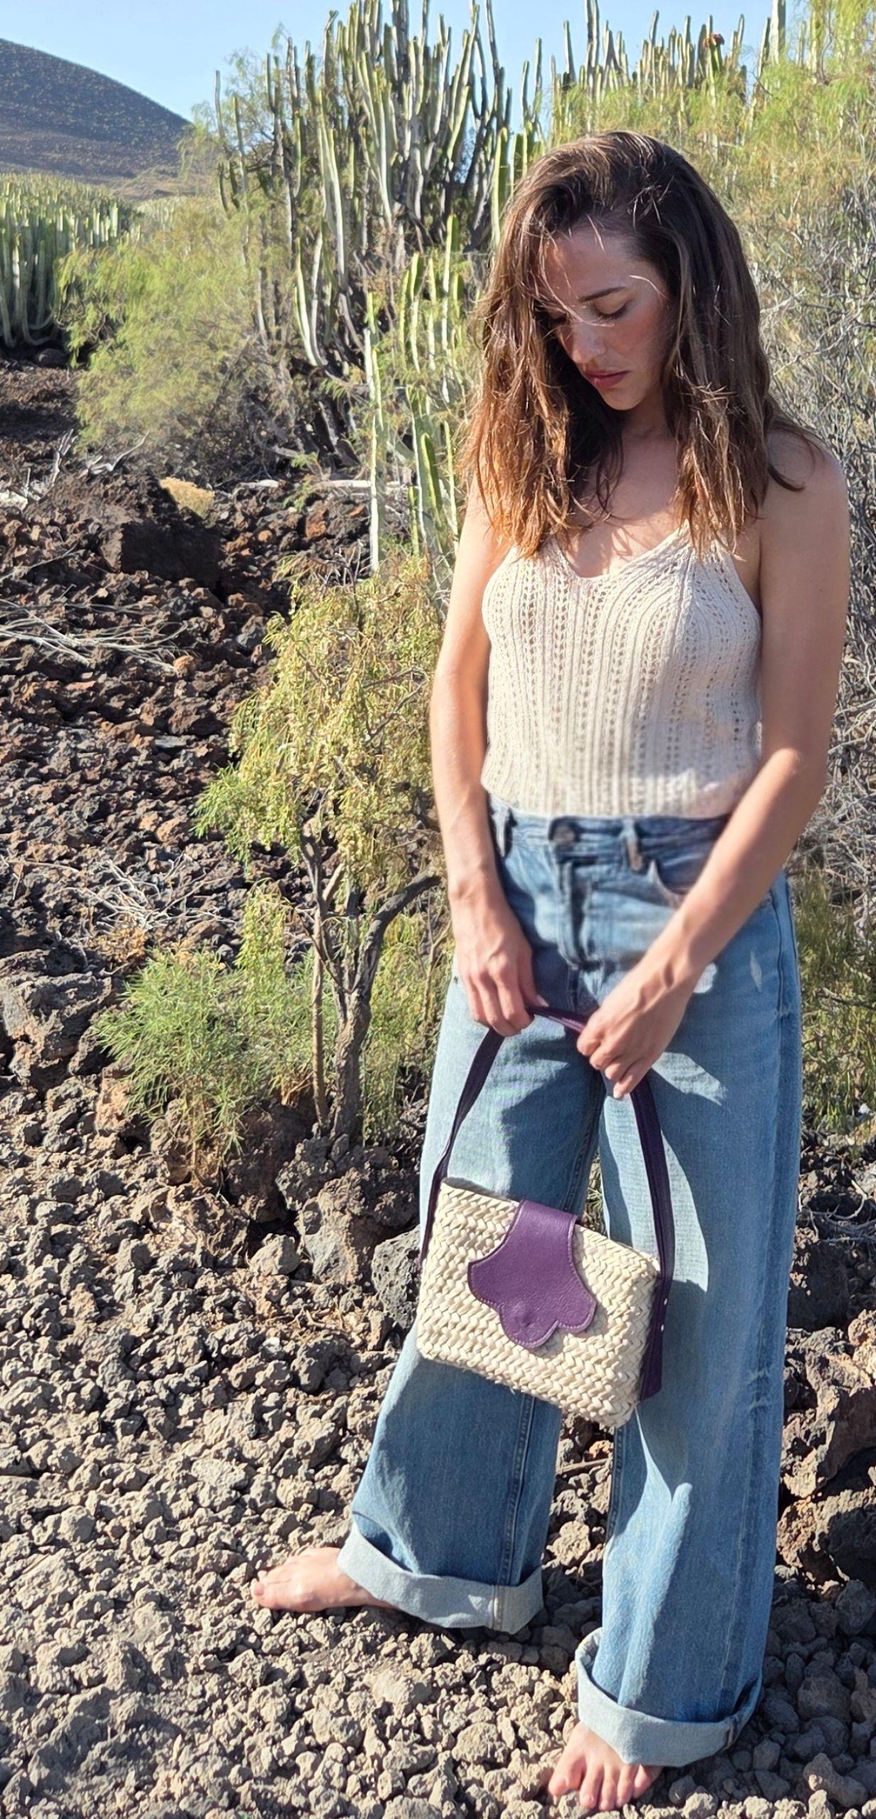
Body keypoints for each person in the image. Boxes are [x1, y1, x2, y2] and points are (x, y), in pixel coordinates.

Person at [250, 129, 851, 1813]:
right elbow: (458, 691)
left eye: (615, 306)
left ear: (693, 290)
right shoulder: (518, 459)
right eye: (555, 313)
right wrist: (473, 893)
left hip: (693, 924)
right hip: (515, 898)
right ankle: (442, 1555)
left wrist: (678, 961)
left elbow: (795, 757)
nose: (584, 344)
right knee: (500, 1252)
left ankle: (661, 1687)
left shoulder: (785, 485)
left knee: (704, 1324)